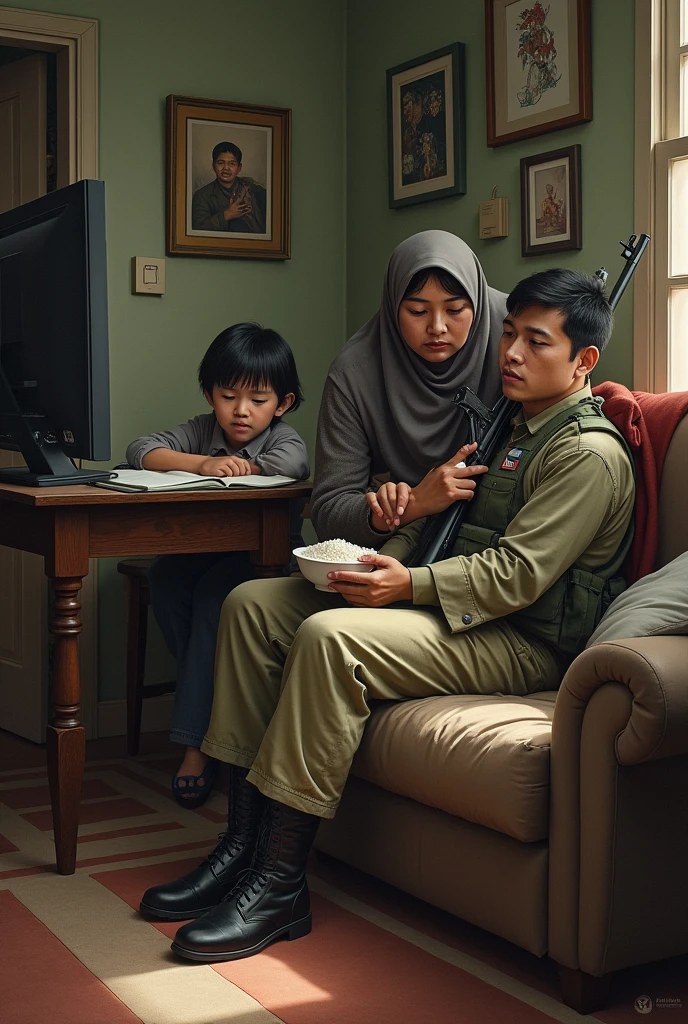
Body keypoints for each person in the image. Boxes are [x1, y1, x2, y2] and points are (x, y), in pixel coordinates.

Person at [139, 268, 635, 966]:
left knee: (331, 639)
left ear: (584, 361)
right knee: (253, 605)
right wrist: (379, 563)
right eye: (510, 335)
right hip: (459, 611)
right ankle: (237, 850)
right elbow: (443, 529)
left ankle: (279, 885)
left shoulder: (585, 453)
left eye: (536, 342)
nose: (512, 354)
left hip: (524, 640)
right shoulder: (508, 428)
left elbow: (516, 576)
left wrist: (407, 586)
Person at [125, 323, 308, 807]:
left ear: (283, 403)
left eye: (258, 400)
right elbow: (140, 449)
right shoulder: (202, 431)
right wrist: (202, 464)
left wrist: (249, 465)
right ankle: (208, 696)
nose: (241, 411)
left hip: (263, 558)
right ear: (210, 394)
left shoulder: (283, 439)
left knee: (214, 599)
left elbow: (293, 466)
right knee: (165, 576)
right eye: (228, 396)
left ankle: (194, 748)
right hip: (203, 553)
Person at [311, 229, 506, 547]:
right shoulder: (354, 375)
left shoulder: (514, 337)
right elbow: (328, 513)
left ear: (478, 301)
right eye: (418, 311)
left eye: (455, 310)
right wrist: (410, 504)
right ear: (392, 305)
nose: (437, 327)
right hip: (408, 542)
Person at [191, 142, 267, 234]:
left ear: (239, 168)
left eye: (232, 164)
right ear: (213, 166)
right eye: (220, 163)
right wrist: (226, 215)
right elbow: (197, 229)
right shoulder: (202, 195)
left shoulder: (255, 190)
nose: (226, 168)